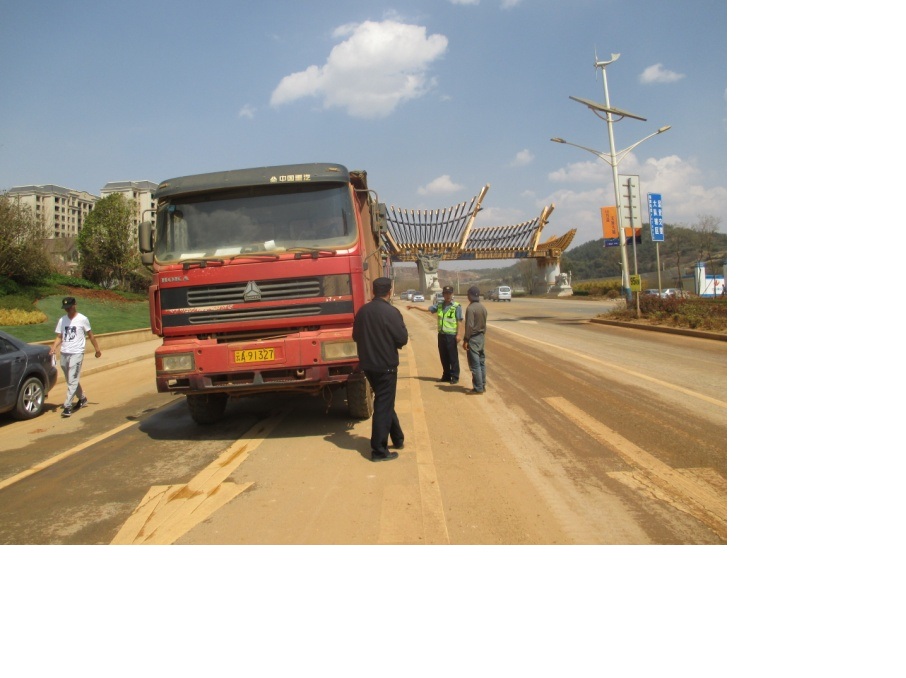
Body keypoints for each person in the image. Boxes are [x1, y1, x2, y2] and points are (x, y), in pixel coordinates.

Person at [352, 277, 409, 462]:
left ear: (373, 290)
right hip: (386, 367)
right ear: (389, 291)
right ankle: (379, 451)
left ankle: (398, 438)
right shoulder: (391, 312)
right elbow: (402, 339)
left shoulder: (362, 312)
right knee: (383, 406)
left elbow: (355, 336)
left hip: (368, 365)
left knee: (385, 402)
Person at [51, 296, 102, 418]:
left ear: (75, 305)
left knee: (72, 379)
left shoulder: (82, 319)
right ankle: (82, 399)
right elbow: (59, 336)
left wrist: (97, 349)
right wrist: (54, 347)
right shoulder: (62, 320)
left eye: (69, 307)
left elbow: (90, 335)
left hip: (77, 353)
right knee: (70, 379)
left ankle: (67, 406)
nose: (67, 310)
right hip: (64, 352)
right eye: (65, 308)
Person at [408, 285, 462, 384]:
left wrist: (459, 334)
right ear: (443, 294)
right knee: (443, 356)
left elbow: (460, 321)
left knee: (452, 357)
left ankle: (455, 376)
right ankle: (446, 375)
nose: (447, 295)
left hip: (451, 335)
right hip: (441, 335)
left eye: (449, 293)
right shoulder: (440, 305)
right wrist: (415, 306)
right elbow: (428, 309)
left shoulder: (456, 306)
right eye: (446, 293)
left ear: (452, 294)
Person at [461, 285, 487, 394]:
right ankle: (483, 385)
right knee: (481, 363)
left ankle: (478, 388)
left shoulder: (471, 308)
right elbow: (485, 324)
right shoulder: (482, 307)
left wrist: (466, 339)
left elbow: (469, 326)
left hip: (473, 338)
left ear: (470, 296)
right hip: (481, 337)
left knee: (475, 364)